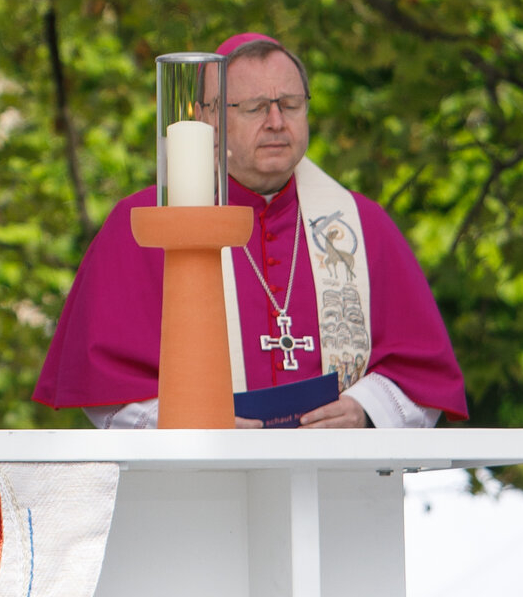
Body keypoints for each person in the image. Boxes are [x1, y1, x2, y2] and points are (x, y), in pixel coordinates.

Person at [35, 29, 465, 429]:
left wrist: (364, 410)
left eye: (291, 105)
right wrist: (192, 422)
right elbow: (107, 394)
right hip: (198, 491)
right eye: (256, 107)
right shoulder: (149, 223)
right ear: (210, 118)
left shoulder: (363, 226)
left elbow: (421, 379)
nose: (277, 121)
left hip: (332, 489)